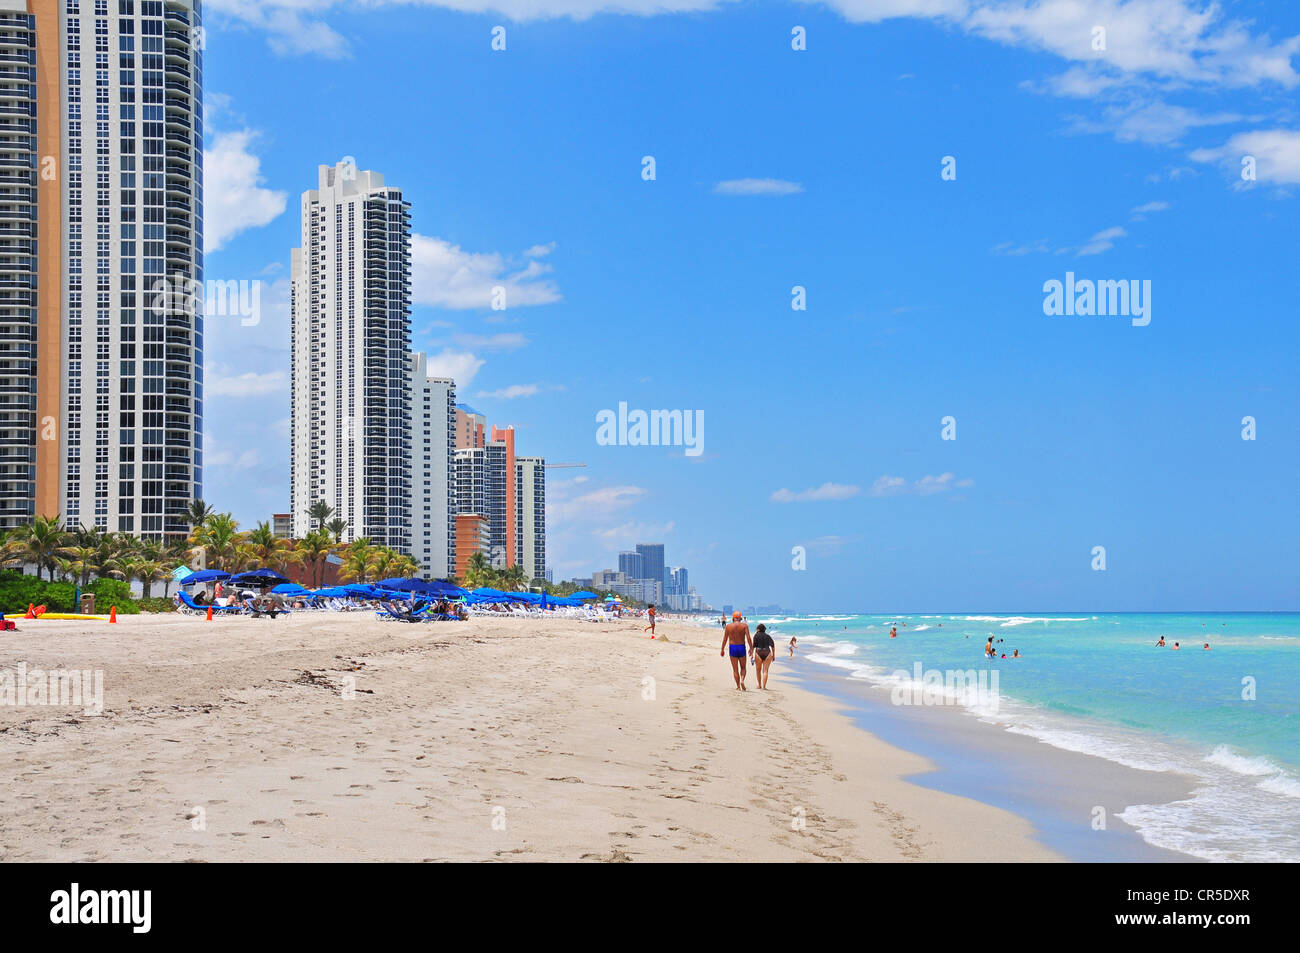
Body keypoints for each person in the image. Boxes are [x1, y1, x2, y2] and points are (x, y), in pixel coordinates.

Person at [720, 611, 751, 690]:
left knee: (735, 669)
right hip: (741, 647)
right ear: (740, 618)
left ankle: (738, 686)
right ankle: (742, 680)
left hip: (732, 647)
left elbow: (725, 639)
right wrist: (751, 648)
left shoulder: (728, 626)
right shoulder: (744, 626)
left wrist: (722, 649)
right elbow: (748, 638)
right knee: (743, 667)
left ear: (733, 618)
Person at [751, 623, 776, 689]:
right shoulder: (768, 636)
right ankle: (764, 686)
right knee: (765, 671)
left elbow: (753, 646)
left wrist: (751, 654)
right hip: (767, 652)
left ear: (758, 629)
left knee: (758, 670)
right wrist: (773, 655)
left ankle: (759, 685)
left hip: (758, 652)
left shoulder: (756, 636)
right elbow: (773, 646)